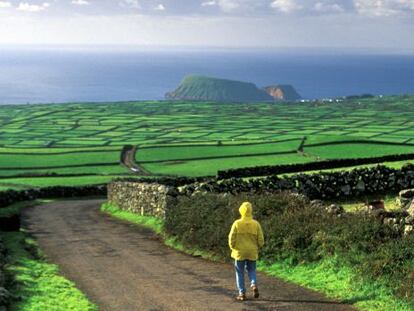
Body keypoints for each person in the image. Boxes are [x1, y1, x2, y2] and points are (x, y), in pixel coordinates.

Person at [228, 201, 264, 301]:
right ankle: (253, 284)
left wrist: (232, 247)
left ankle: (242, 293)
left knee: (239, 272)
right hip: (252, 251)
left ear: (241, 211)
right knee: (252, 270)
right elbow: (261, 239)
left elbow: (231, 237)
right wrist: (259, 246)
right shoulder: (256, 224)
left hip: (239, 252)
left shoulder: (237, 223)